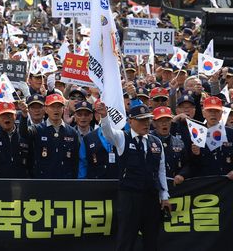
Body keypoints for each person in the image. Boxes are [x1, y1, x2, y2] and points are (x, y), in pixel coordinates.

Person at [96, 101, 171, 251]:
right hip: (130, 197)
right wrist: (104, 117)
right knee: (126, 239)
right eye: (141, 119)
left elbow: (161, 170)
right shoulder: (123, 137)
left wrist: (165, 195)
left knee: (151, 240)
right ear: (131, 121)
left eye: (148, 119)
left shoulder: (156, 142)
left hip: (151, 197)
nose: (146, 123)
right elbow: (108, 133)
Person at [20, 94, 80, 179]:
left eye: (59, 107)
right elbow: (23, 133)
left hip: (65, 181)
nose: (56, 110)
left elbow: (76, 160)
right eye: (52, 107)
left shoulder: (72, 132)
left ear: (63, 109)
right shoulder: (38, 129)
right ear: (46, 109)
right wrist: (24, 116)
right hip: (43, 180)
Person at [0, 102, 32, 178]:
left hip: (20, 182)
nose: (6, 118)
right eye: (2, 115)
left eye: (9, 115)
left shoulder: (22, 134)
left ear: (15, 116)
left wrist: (24, 115)